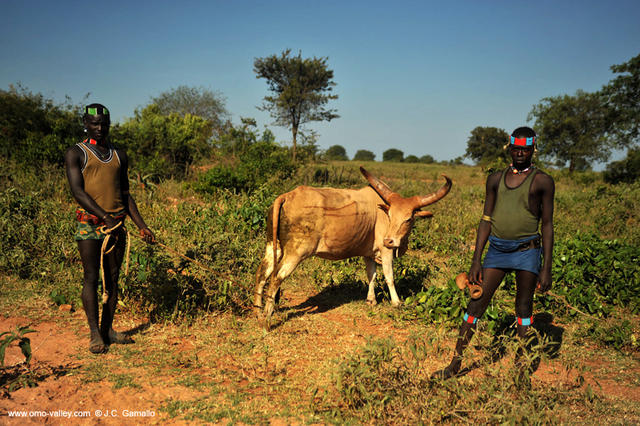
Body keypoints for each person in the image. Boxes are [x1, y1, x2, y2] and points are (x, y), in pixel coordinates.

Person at [433, 126, 555, 379]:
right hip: (497, 250)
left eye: (525, 149)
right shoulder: (496, 179)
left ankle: (521, 371)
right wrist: (476, 259)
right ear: (509, 149)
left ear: (534, 149)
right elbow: (486, 219)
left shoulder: (542, 181)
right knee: (475, 304)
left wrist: (546, 267)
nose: (520, 153)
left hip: (527, 251)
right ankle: (454, 366)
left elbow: (547, 225)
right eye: (516, 148)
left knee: (523, 308)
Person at [65, 103, 155, 354]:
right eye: (94, 124)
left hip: (116, 226)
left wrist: (141, 225)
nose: (100, 128)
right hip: (90, 225)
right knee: (91, 277)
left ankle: (108, 330)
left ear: (109, 124)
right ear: (85, 123)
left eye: (104, 124)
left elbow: (125, 194)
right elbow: (78, 192)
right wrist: (104, 216)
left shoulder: (119, 155)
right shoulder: (76, 153)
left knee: (113, 281)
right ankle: (95, 334)